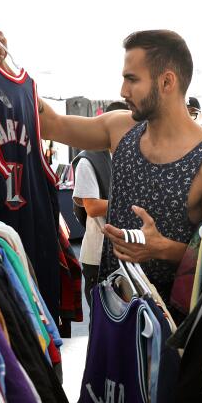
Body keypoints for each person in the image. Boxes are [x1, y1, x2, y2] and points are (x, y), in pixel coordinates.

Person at [0, 27, 202, 305]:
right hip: (110, 309)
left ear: (167, 82)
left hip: (172, 331)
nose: (122, 91)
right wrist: (4, 68)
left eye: (132, 79)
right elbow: (50, 124)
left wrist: (161, 248)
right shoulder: (121, 127)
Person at [71, 100, 130, 306]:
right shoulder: (89, 160)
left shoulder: (129, 156)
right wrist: (132, 202)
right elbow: (92, 207)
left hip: (128, 251)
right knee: (101, 319)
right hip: (98, 255)